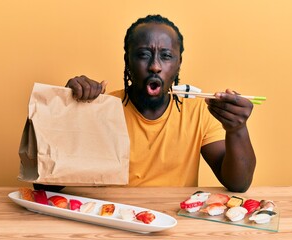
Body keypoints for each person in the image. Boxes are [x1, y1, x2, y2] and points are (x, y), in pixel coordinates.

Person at [41, 14, 256, 192]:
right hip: (113, 220)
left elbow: (238, 183)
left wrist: (237, 129)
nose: (155, 66)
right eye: (144, 55)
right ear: (128, 60)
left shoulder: (197, 111)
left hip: (175, 221)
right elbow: (46, 186)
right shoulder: (102, 109)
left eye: (166, 56)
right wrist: (69, 110)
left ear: (178, 63)